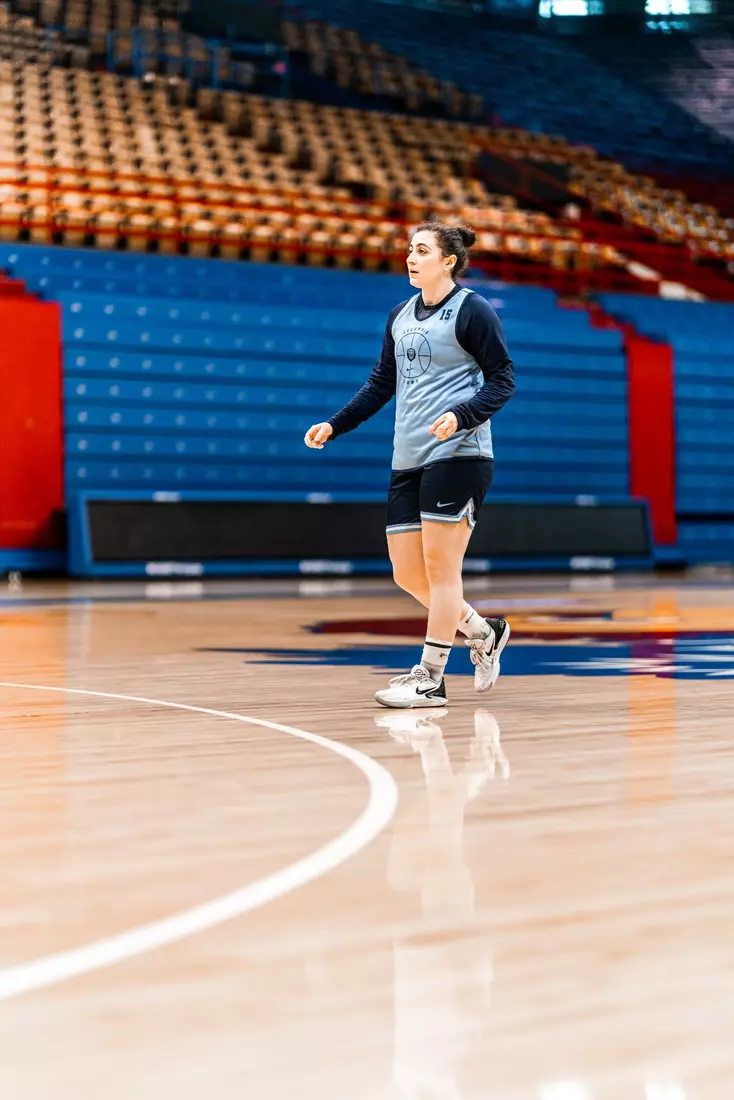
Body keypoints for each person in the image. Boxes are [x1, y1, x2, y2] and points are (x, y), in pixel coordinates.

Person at [304, 220, 515, 708]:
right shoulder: (400, 315)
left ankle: (432, 678)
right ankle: (484, 632)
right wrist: (336, 424)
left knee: (443, 571)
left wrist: (461, 415)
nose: (411, 258)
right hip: (409, 457)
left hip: (460, 454)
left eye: (422, 250)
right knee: (406, 573)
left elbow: (503, 380)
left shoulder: (473, 310)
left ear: (448, 261)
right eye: (409, 250)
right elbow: (382, 383)